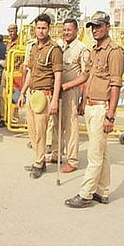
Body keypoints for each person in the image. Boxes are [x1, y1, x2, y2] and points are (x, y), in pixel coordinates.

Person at [65, 11, 124, 208]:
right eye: (92, 26)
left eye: (99, 26)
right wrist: (66, 86)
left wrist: (110, 116)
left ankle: (86, 194)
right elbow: (85, 76)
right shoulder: (94, 50)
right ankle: (102, 191)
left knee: (94, 154)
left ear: (108, 27)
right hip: (91, 106)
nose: (95, 30)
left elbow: (115, 85)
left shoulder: (114, 52)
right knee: (103, 152)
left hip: (102, 109)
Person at [17, 13, 63, 179]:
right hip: (32, 95)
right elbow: (30, 72)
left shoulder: (54, 49)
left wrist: (55, 101)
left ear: (49, 29)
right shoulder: (34, 47)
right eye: (38, 28)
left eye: (44, 28)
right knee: (33, 131)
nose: (41, 31)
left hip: (44, 95)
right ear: (34, 29)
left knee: (42, 132)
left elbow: (58, 76)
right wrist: (22, 92)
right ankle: (39, 159)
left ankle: (38, 163)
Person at [48, 18, 90, 173]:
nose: (66, 32)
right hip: (56, 91)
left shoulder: (82, 49)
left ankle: (72, 160)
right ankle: (56, 154)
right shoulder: (58, 46)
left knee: (71, 126)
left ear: (76, 31)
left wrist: (82, 100)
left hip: (70, 92)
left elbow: (86, 76)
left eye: (69, 30)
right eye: (64, 29)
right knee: (56, 123)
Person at [0, 23, 19, 128]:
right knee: (2, 95)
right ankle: (3, 118)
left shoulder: (20, 43)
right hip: (6, 71)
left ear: (16, 30)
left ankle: (14, 119)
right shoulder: (9, 43)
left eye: (12, 31)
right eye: (9, 31)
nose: (10, 33)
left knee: (15, 95)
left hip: (15, 71)